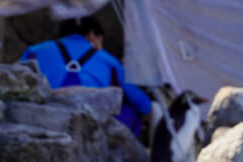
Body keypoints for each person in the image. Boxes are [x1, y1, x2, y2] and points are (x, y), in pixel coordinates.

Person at [20, 15, 152, 137]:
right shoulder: (109, 61)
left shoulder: (34, 52)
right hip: (91, 128)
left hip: (41, 121)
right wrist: (150, 112)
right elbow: (139, 100)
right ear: (91, 34)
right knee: (132, 112)